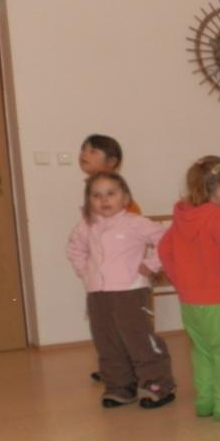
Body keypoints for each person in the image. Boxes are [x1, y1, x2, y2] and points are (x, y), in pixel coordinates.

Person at [158, 156, 220, 421]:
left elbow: (164, 249)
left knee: (201, 352)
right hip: (218, 300)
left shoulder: (182, 216)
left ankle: (206, 402)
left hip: (189, 301)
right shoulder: (218, 217)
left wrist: (180, 281)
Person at [66, 172, 175, 408]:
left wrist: (151, 264)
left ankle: (157, 384)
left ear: (125, 198)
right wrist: (85, 273)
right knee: (107, 341)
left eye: (111, 194)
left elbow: (167, 239)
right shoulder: (85, 227)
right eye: (96, 195)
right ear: (88, 200)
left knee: (139, 339)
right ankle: (119, 387)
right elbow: (75, 249)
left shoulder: (135, 223)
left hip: (130, 292)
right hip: (97, 295)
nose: (104, 200)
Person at [79, 134, 138, 383]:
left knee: (122, 325)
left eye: (93, 151)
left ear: (112, 162)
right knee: (104, 326)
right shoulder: (92, 195)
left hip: (122, 279)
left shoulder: (122, 204)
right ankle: (114, 368)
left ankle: (128, 370)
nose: (84, 154)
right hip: (101, 278)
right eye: (84, 150)